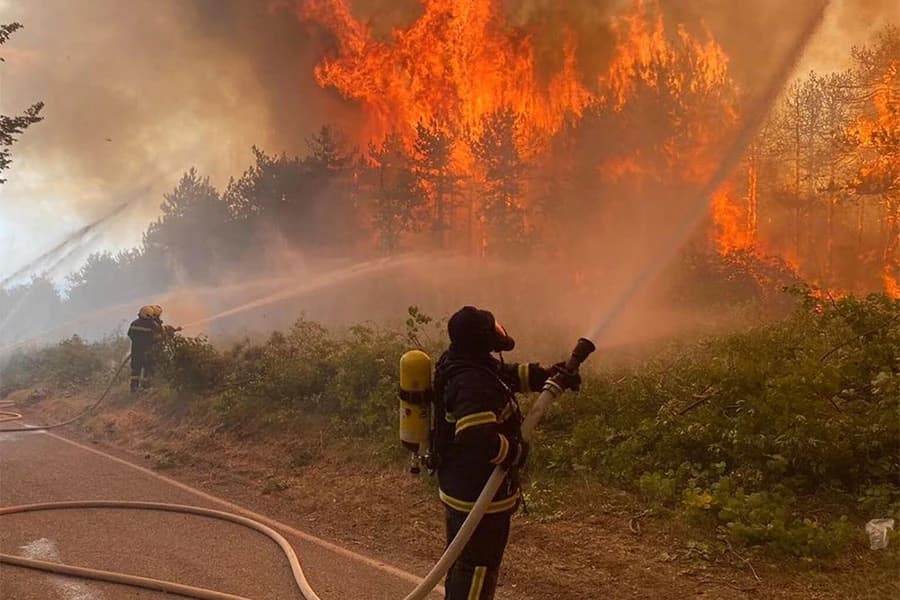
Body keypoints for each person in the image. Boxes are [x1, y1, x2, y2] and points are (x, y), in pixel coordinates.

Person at [433, 306, 580, 600]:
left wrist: (549, 376)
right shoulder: (472, 382)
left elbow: (507, 376)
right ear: (481, 339)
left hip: (465, 488)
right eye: (492, 329)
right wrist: (514, 451)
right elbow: (476, 439)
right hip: (478, 495)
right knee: (477, 569)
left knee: (463, 563)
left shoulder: (467, 363)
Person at [127, 305, 164, 393]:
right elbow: (155, 337)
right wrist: (162, 336)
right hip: (147, 352)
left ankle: (134, 388)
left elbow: (130, 334)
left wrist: (138, 342)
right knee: (149, 368)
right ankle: (146, 387)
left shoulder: (134, 323)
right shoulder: (151, 324)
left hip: (136, 351)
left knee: (136, 370)